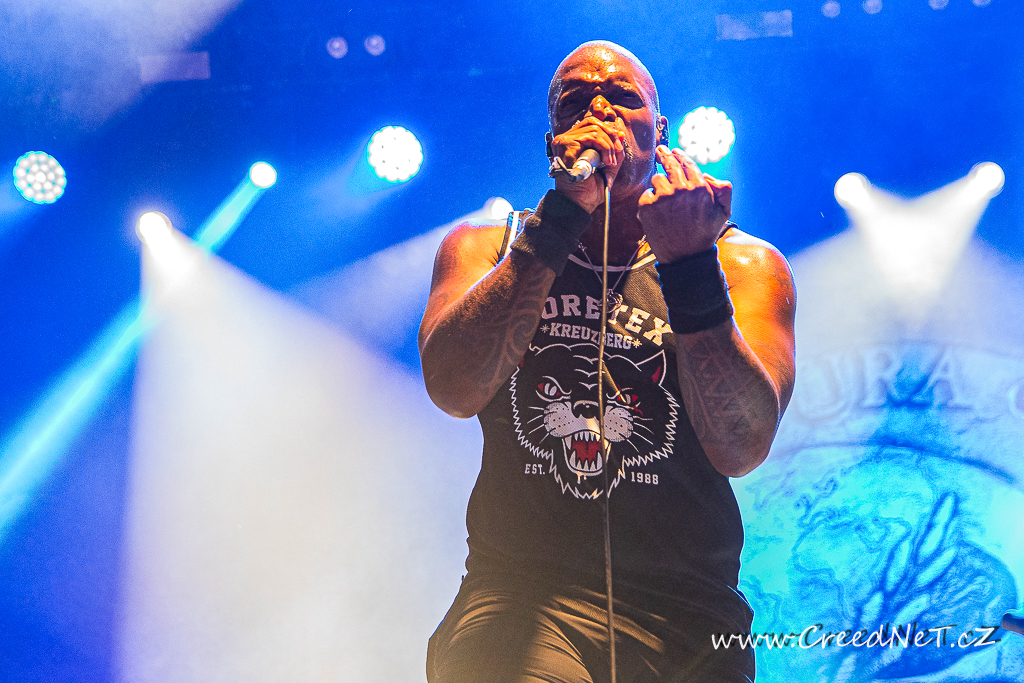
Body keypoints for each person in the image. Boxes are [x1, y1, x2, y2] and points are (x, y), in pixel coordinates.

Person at [418, 40, 796, 683]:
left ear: (661, 131)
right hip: (521, 593)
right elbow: (454, 389)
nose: (599, 110)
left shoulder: (743, 264)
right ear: (553, 140)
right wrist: (562, 218)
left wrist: (690, 267)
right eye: (576, 101)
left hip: (688, 612)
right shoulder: (485, 248)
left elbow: (740, 447)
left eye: (623, 98)